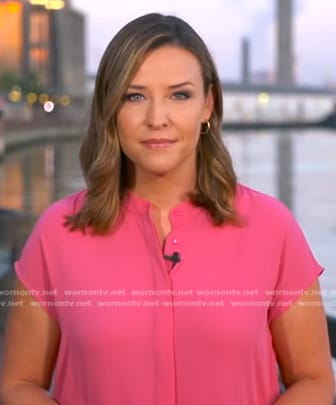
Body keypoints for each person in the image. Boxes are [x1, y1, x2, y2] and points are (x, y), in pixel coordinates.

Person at [0, 12, 334, 405]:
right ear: (110, 107)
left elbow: (314, 380)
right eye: (134, 95)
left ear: (207, 104)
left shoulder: (273, 229)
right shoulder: (57, 233)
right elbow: (19, 385)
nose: (157, 119)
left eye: (180, 95)